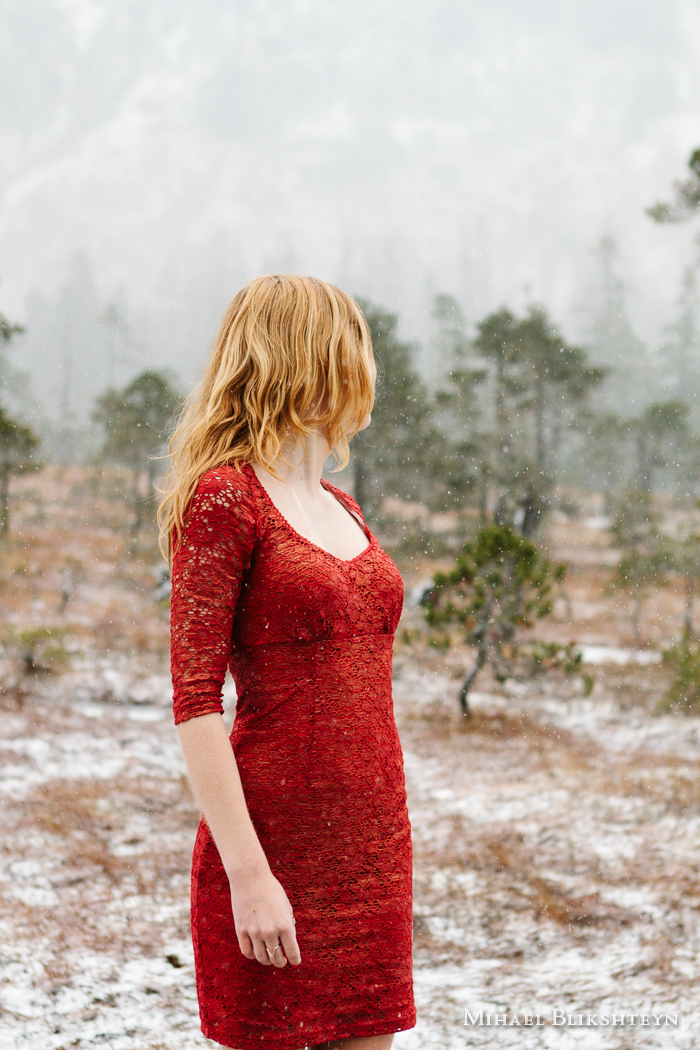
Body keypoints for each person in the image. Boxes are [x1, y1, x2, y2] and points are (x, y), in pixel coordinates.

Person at [158, 275, 416, 1050]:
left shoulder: (345, 505)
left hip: (372, 849)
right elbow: (195, 699)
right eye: (350, 345)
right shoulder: (224, 499)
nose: (362, 364)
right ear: (304, 355)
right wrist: (249, 874)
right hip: (270, 846)